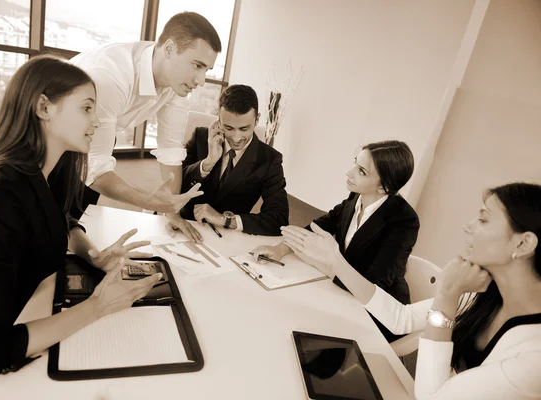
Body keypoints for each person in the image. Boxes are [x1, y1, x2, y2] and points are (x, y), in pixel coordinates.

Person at [0, 55, 163, 377]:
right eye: (87, 108)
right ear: (44, 108)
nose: (97, 121)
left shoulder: (50, 171)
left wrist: (92, 254)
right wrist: (98, 305)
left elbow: (64, 219)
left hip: (29, 308)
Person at [280, 182, 541, 399]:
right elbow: (400, 319)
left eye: (483, 219)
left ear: (524, 242)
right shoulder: (484, 293)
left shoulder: (534, 357)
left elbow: (432, 397)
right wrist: (336, 262)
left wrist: (447, 296)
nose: (469, 226)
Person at [253, 140, 418, 340]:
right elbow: (323, 224)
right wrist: (282, 248)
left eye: (361, 171)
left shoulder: (404, 221)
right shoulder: (356, 197)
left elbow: (376, 284)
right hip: (343, 294)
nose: (349, 173)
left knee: (301, 323)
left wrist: (327, 264)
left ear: (384, 187)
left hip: (376, 315)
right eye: (355, 163)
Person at [69, 12, 221, 218]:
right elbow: (95, 169)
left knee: (79, 215)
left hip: (96, 132)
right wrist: (151, 201)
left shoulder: (176, 87)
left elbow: (171, 152)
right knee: (41, 217)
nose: (201, 80)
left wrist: (172, 211)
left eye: (207, 69)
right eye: (197, 65)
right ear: (169, 49)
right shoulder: (111, 77)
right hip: (45, 133)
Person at [166, 84, 289, 241]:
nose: (236, 138)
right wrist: (208, 163)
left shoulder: (270, 159)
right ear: (219, 118)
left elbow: (278, 219)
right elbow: (174, 187)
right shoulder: (200, 138)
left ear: (257, 119)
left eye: (244, 129)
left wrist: (226, 220)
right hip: (183, 225)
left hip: (227, 236)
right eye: (229, 128)